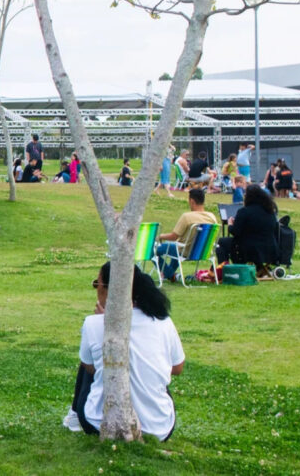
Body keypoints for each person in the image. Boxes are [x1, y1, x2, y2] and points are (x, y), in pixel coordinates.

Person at [64, 262, 184, 440]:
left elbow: (90, 368)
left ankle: (74, 415)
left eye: (97, 284)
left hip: (98, 422)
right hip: (159, 428)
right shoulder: (163, 322)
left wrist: (102, 328)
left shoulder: (93, 323)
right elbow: (177, 368)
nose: (96, 290)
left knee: (89, 361)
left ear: (109, 289)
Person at [154, 188, 216, 281]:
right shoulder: (212, 217)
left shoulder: (187, 217)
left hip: (186, 252)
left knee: (153, 250)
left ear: (191, 201)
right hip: (204, 252)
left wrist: (160, 236)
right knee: (175, 247)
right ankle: (171, 274)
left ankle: (170, 275)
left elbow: (174, 237)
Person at [221, 184, 279, 279]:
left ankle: (225, 272)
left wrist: (230, 224)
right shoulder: (270, 212)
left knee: (222, 243)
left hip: (248, 250)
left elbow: (236, 232)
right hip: (270, 250)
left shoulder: (244, 211)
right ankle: (260, 269)